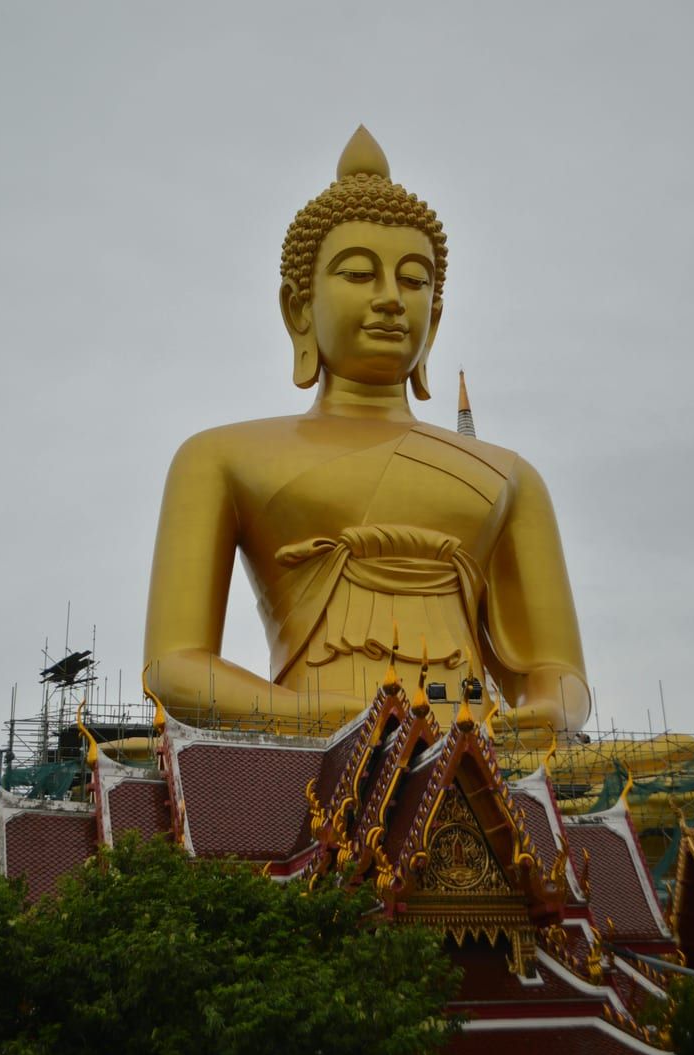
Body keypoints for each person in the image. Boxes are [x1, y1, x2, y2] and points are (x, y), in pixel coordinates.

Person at [144, 127, 589, 734]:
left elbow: (557, 671)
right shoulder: (220, 458)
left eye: (413, 279)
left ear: (434, 317)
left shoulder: (509, 477)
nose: (390, 299)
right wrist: (310, 715)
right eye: (357, 274)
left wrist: (547, 713)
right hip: (312, 754)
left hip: (480, 754)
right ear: (299, 309)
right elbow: (173, 666)